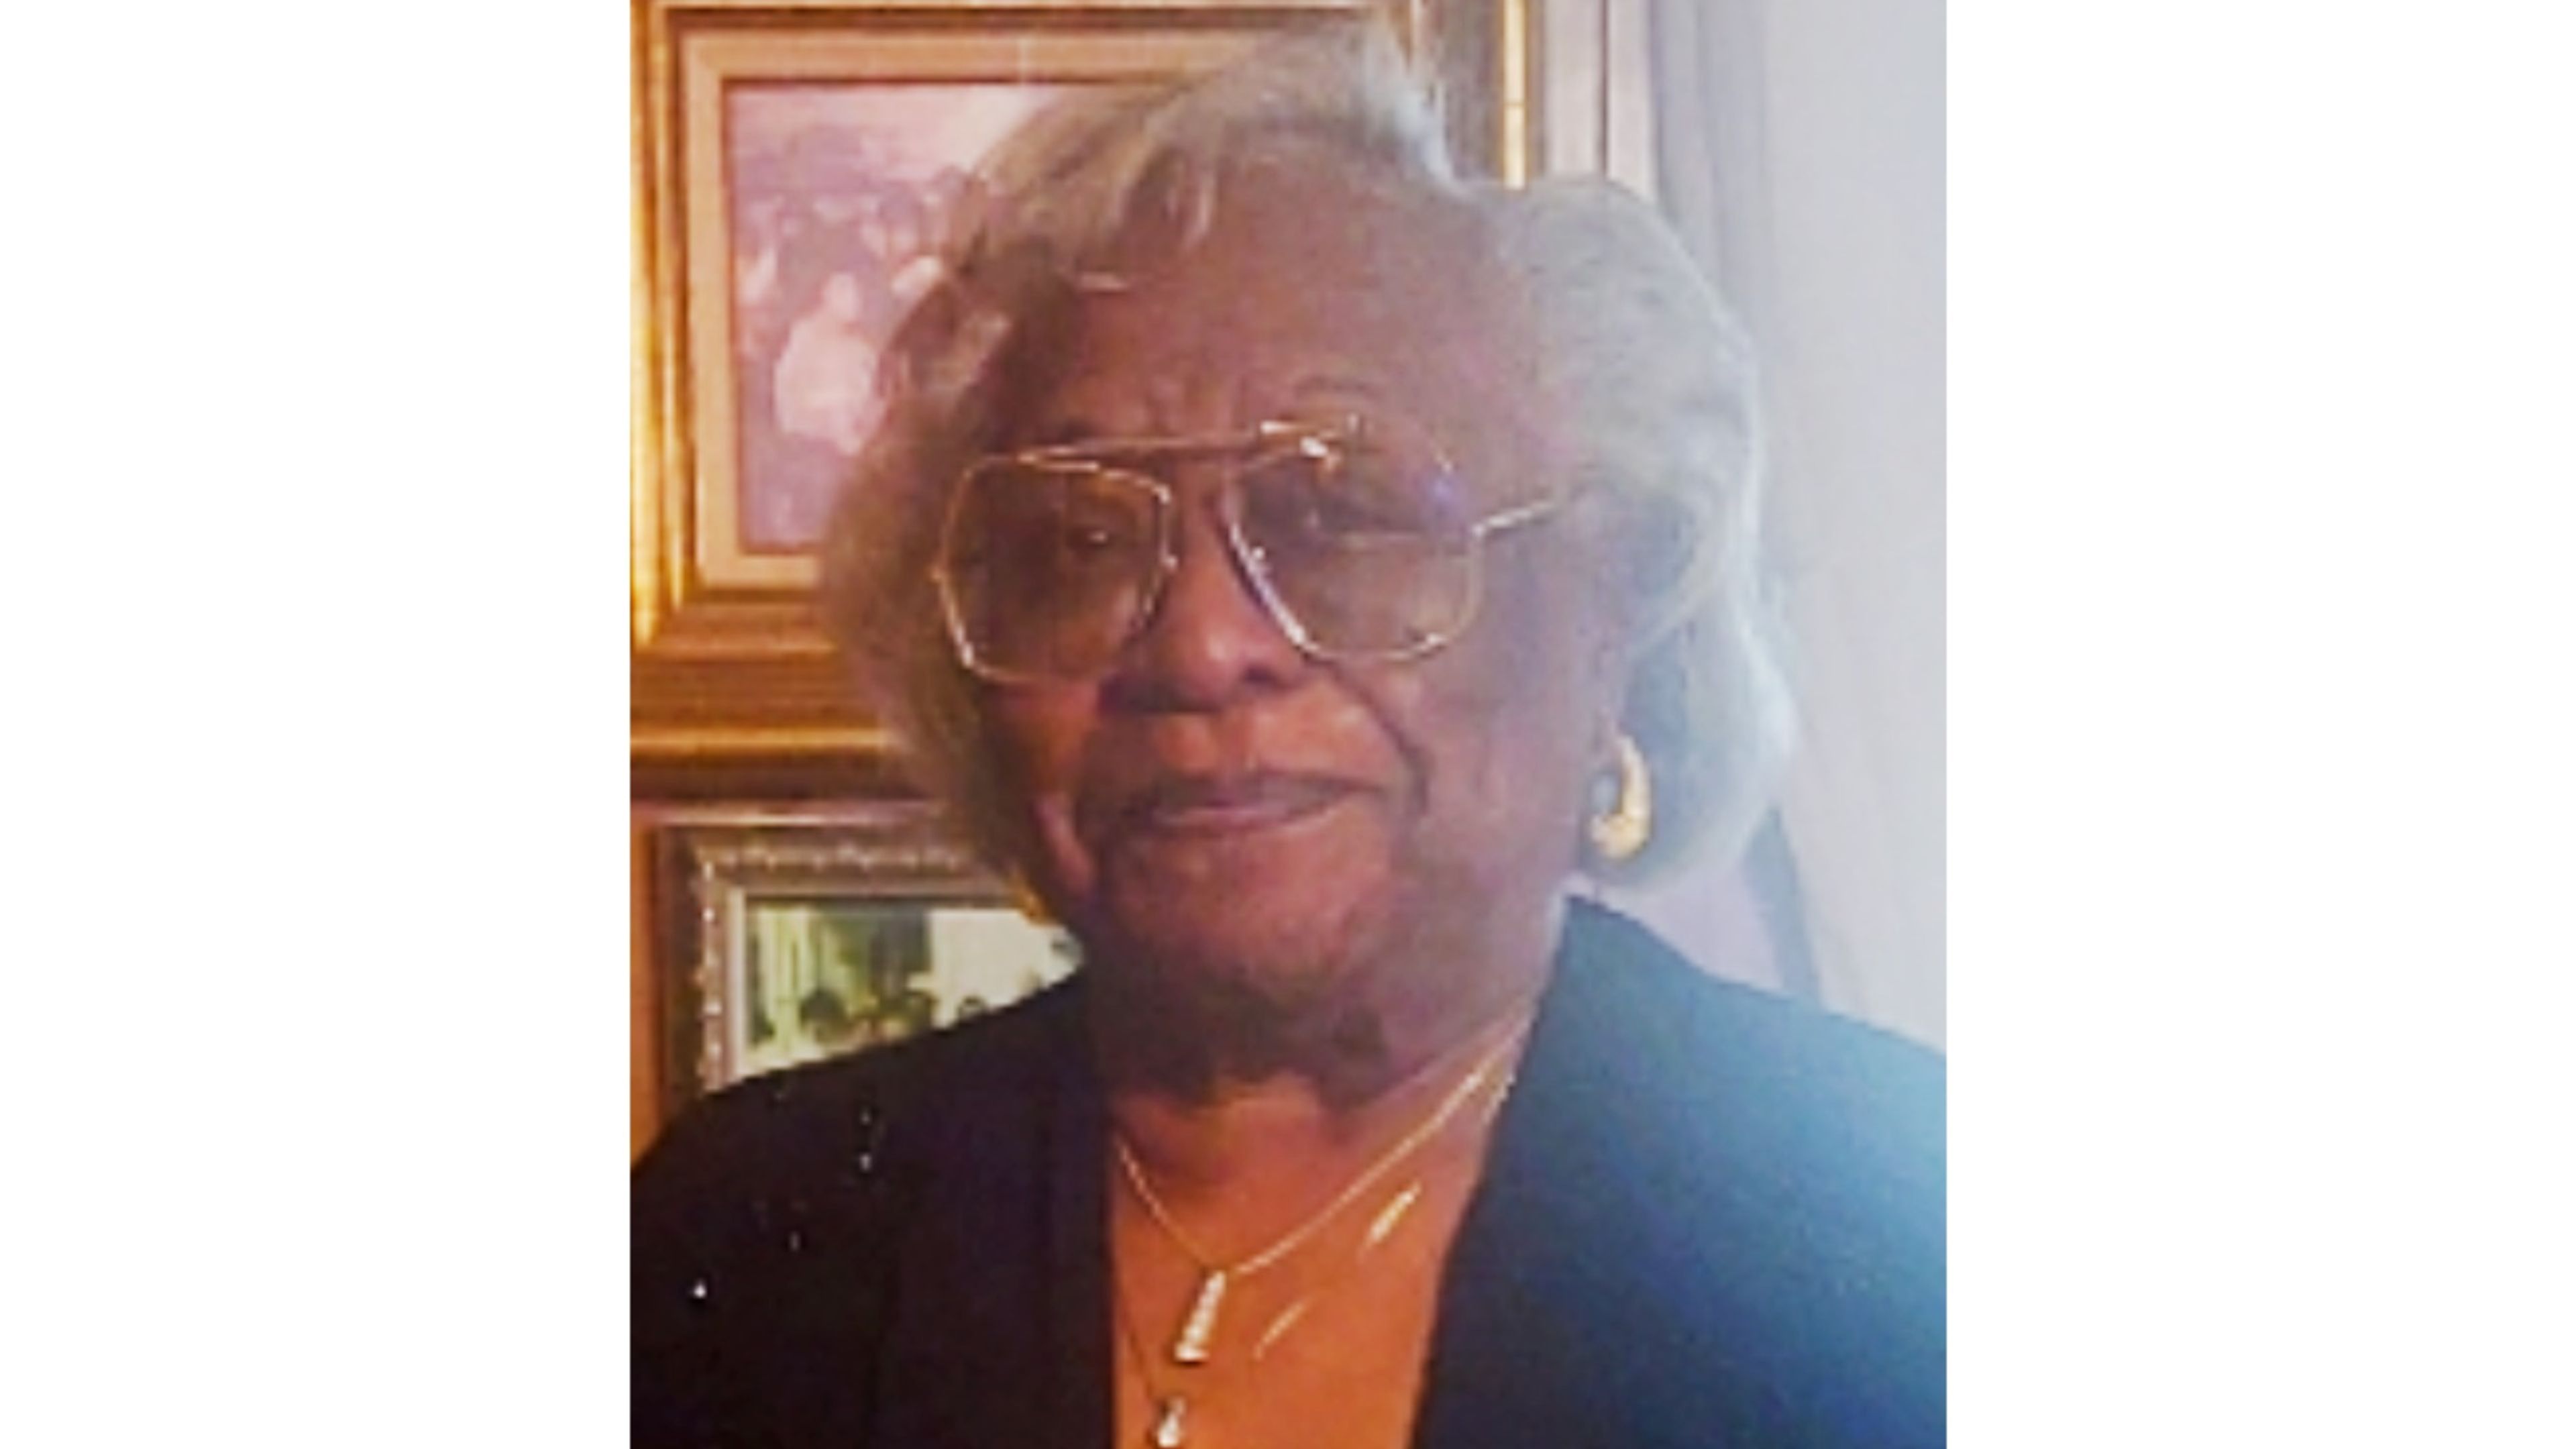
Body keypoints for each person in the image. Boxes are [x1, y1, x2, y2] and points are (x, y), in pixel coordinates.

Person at [634, 23, 1941, 1449]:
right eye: (1081, 539)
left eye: (1346, 515)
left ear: (1615, 612)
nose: (1199, 645)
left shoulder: (1898, 1240)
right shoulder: (745, 1242)